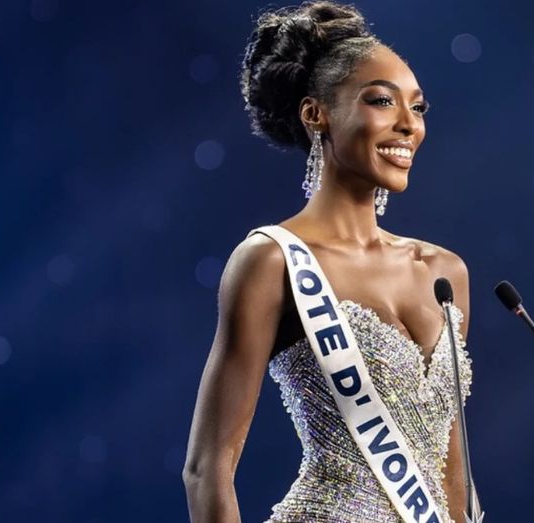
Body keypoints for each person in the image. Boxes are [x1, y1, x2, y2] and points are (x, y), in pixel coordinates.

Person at [183, 2, 474, 521]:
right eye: (382, 101)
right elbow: (208, 468)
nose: (408, 125)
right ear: (316, 114)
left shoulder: (443, 273)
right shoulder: (271, 261)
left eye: (419, 108)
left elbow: (452, 471)